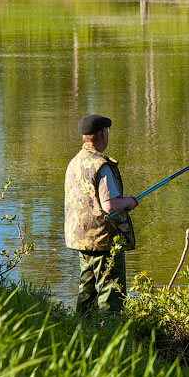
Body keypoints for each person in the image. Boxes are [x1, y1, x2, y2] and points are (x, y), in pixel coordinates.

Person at [64, 114, 139, 317]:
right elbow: (110, 205)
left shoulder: (75, 162)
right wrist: (128, 202)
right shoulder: (101, 165)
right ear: (103, 134)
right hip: (103, 240)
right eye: (108, 132)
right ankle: (110, 334)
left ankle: (81, 329)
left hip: (81, 239)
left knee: (86, 290)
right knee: (111, 292)